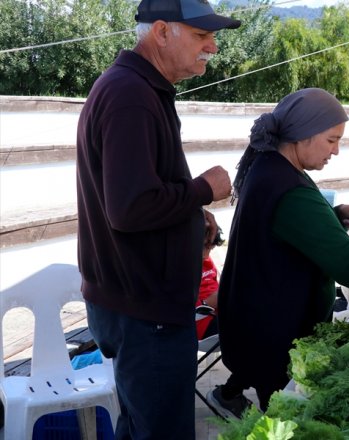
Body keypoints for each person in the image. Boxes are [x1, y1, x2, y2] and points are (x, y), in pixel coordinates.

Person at [75, 0, 239, 437]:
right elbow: (130, 208)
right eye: (202, 35)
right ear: (163, 31)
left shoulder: (137, 88)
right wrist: (204, 189)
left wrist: (190, 211)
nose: (213, 46)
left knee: (141, 423)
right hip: (145, 306)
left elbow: (137, 192)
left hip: (135, 300)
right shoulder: (130, 95)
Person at [210, 89, 349, 417]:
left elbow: (286, 231)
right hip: (275, 334)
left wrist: (335, 217)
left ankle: (229, 395)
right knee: (284, 423)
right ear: (303, 134)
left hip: (254, 319)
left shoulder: (269, 166)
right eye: (331, 140)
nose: (336, 150)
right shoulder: (286, 185)